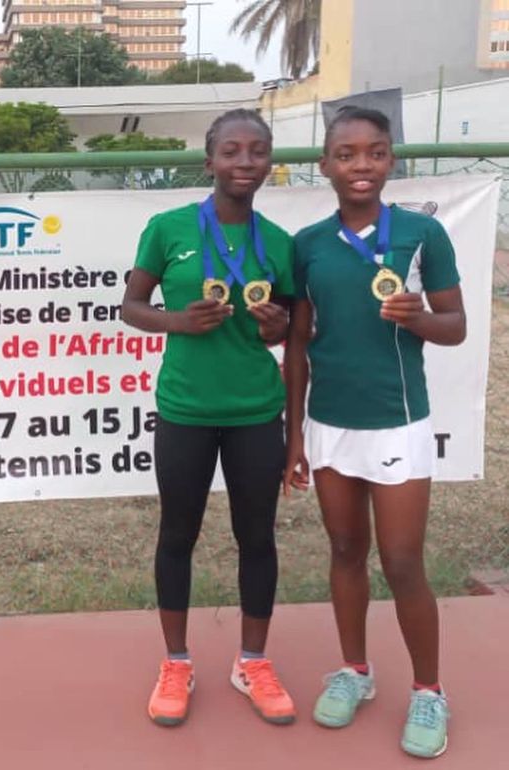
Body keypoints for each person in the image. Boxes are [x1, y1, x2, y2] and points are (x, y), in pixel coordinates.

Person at [283, 106, 466, 758]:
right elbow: (298, 343)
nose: (362, 165)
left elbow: (455, 327)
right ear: (326, 164)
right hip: (331, 424)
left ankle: (429, 690)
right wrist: (295, 436)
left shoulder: (422, 234)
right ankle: (355, 671)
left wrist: (417, 318)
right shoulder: (307, 244)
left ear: (391, 160)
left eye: (375, 152)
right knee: (344, 549)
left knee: (403, 561)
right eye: (347, 154)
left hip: (397, 420)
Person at [122, 108, 296, 728]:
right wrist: (178, 321)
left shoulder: (279, 243)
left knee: (258, 538)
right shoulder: (168, 229)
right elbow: (131, 306)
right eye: (231, 151)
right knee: (178, 535)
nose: (244, 162)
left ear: (269, 162)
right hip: (186, 408)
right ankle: (176, 663)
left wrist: (276, 325)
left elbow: (289, 329)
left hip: (255, 410)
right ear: (209, 161)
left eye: (257, 151)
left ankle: (253, 662)